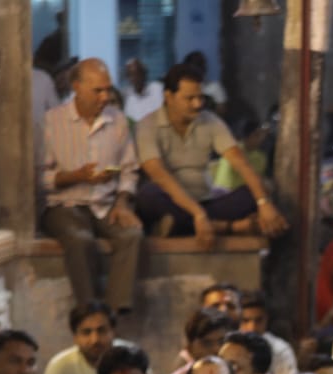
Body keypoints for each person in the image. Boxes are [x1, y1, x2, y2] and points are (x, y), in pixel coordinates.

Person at [135, 62, 286, 241]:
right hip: (171, 204)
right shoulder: (147, 125)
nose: (197, 104)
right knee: (148, 195)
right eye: (190, 98)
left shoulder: (211, 121)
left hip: (206, 204)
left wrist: (263, 202)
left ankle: (180, 227)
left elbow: (239, 161)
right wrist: (197, 214)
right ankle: (228, 227)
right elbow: (157, 173)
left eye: (201, 97)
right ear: (169, 97)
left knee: (260, 190)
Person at [39, 59, 143, 315]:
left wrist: (122, 202)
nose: (105, 97)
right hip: (65, 204)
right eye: (98, 91)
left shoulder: (118, 121)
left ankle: (113, 312)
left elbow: (129, 169)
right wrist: (75, 176)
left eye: (107, 89)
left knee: (132, 235)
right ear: (77, 87)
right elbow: (40, 177)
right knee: (80, 239)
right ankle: (89, 312)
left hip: (106, 203)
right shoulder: (52, 121)